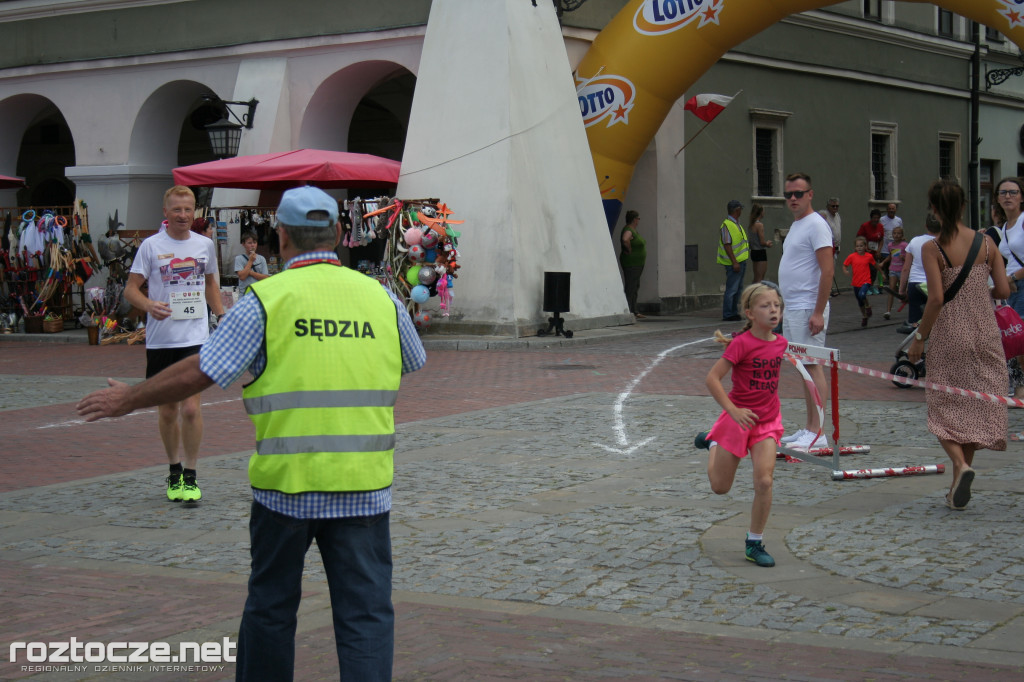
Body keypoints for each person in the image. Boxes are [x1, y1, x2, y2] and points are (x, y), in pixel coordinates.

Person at [77, 185, 427, 680]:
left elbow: (202, 370)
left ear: (281, 237)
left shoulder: (266, 299)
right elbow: (415, 360)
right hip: (364, 486)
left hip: (286, 488)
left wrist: (129, 399)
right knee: (366, 615)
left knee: (271, 610)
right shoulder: (382, 297)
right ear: (340, 234)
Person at [908, 180, 1008, 511]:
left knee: (942, 406)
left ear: (934, 209)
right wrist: (981, 293)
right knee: (974, 405)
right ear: (965, 206)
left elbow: (935, 298)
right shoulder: (987, 243)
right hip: (986, 333)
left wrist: (920, 338)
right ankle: (956, 486)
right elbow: (1004, 290)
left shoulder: (932, 248)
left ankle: (961, 468)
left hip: (951, 333)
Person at [124, 185, 225, 503]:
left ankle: (192, 476)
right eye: (177, 210)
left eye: (188, 209)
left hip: (195, 338)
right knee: (168, 411)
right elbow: (131, 289)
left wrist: (221, 315)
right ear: (165, 213)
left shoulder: (204, 245)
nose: (183, 215)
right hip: (161, 340)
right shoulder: (151, 246)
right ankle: (174, 471)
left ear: (195, 211)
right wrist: (148, 305)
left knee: (192, 409)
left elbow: (210, 283)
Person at [694, 283, 786, 568]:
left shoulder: (781, 343)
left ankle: (754, 543)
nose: (773, 310)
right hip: (737, 419)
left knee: (764, 480)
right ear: (750, 312)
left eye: (777, 306)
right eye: (765, 306)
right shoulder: (740, 344)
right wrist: (733, 411)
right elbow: (712, 379)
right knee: (720, 487)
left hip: (767, 422)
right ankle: (712, 441)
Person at [777, 172, 834, 451]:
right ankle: (810, 427)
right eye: (789, 194)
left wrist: (818, 311)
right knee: (802, 369)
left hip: (807, 306)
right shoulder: (798, 225)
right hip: (794, 307)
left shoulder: (816, 225)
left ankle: (819, 431)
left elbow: (827, 270)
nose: (793, 199)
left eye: (798, 193)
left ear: (810, 194)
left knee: (812, 366)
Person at [997, 176, 1024, 399]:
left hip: (1020, 283)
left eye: (1013, 192)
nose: (1008, 196)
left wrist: (1013, 277)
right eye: (1003, 192)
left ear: (1021, 197)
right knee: (1014, 339)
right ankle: (1020, 388)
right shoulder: (1005, 227)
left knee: (1020, 339)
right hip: (1012, 287)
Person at [898, 214, 940, 334]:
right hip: (934, 285)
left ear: (926, 226)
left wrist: (902, 290)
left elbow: (906, 268)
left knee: (915, 323)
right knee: (937, 322)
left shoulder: (915, 241)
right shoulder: (944, 242)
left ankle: (916, 348)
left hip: (915, 284)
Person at [717, 199, 749, 321]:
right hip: (733, 263)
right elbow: (727, 244)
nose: (741, 211)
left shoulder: (736, 224)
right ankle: (728, 313)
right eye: (740, 208)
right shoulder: (727, 225)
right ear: (737, 210)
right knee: (732, 289)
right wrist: (734, 262)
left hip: (739, 261)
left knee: (737, 288)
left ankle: (733, 312)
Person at [843, 236, 875, 327]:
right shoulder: (852, 256)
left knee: (862, 294)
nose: (859, 248)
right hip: (856, 282)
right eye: (858, 246)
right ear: (855, 247)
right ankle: (864, 316)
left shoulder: (869, 256)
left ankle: (868, 306)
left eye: (861, 246)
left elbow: (875, 265)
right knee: (860, 301)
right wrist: (845, 270)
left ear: (865, 246)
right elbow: (845, 265)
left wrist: (882, 274)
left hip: (866, 281)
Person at [619, 210, 646, 319]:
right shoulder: (629, 230)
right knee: (631, 286)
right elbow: (625, 239)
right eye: (638, 218)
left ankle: (634, 310)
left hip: (637, 263)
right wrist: (629, 249)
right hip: (631, 263)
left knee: (635, 286)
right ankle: (629, 310)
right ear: (634, 219)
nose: (639, 220)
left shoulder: (633, 230)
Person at [879, 226, 907, 320]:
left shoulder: (904, 245)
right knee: (891, 289)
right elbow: (890, 256)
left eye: (898, 233)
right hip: (893, 269)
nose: (896, 235)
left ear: (902, 235)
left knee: (904, 290)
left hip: (902, 270)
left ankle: (905, 300)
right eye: (895, 233)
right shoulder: (891, 245)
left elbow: (909, 258)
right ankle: (888, 311)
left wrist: (904, 258)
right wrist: (883, 262)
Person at [235, 230, 270, 295]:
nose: (252, 245)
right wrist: (250, 261)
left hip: (258, 294)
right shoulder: (239, 258)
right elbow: (242, 276)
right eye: (249, 243)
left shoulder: (261, 259)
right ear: (243, 244)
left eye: (254, 242)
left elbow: (266, 277)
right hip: (244, 295)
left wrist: (250, 273)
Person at [747, 203, 773, 283]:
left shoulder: (751, 225)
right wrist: (767, 244)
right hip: (760, 252)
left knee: (756, 277)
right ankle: (756, 294)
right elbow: (762, 242)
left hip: (753, 252)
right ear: (761, 212)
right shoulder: (759, 225)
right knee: (760, 278)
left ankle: (752, 293)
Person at [879, 202, 903, 284]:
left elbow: (901, 233)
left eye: (893, 209)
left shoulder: (898, 220)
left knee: (893, 267)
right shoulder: (882, 219)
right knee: (882, 267)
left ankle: (893, 284)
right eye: (890, 209)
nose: (891, 210)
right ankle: (881, 286)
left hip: (895, 248)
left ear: (895, 210)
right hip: (884, 248)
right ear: (887, 210)